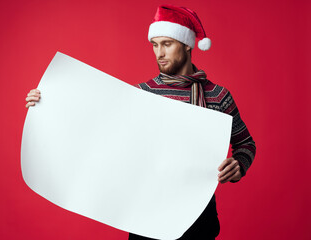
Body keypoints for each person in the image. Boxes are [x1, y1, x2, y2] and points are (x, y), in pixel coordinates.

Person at [25, 4, 256, 240]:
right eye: (155, 45)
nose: (159, 53)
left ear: (187, 44)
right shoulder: (140, 95)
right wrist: (48, 102)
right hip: (146, 218)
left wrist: (238, 166)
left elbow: (246, 144)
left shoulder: (218, 96)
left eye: (167, 44)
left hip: (198, 220)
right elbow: (94, 130)